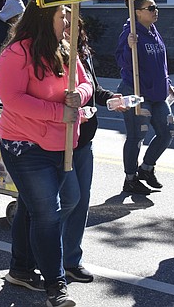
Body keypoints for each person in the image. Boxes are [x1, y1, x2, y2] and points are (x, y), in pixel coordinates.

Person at [0, 0, 91, 307]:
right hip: (25, 147)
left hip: (60, 146)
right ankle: (56, 284)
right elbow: (13, 99)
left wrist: (80, 94)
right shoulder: (16, 53)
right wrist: (57, 112)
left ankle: (20, 268)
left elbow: (86, 82)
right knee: (47, 214)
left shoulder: (65, 48)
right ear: (44, 17)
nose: (67, 20)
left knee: (56, 204)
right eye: (62, 14)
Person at [59, 14, 119, 284]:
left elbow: (93, 88)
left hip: (85, 140)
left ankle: (71, 259)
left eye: (73, 21)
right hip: (60, 140)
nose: (69, 25)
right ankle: (46, 259)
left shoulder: (82, 52)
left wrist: (111, 98)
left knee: (81, 201)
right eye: (63, 19)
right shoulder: (53, 52)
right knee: (65, 202)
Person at [116, 0, 174, 195]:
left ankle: (146, 169)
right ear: (137, 12)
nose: (155, 10)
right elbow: (122, 61)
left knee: (168, 131)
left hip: (158, 94)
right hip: (137, 92)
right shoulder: (131, 32)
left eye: (155, 7)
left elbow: (159, 62)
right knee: (136, 136)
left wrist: (167, 84)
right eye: (150, 8)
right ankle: (130, 179)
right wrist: (129, 46)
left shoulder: (152, 30)